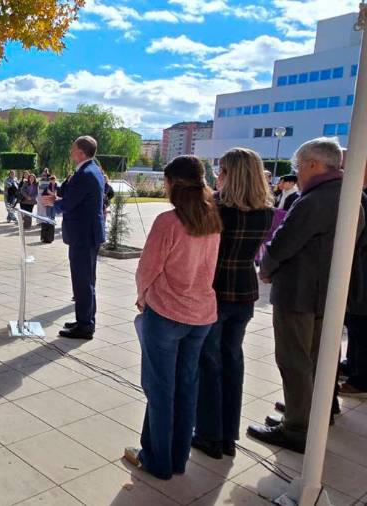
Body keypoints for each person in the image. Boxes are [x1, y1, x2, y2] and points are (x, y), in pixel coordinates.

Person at [248, 137, 361, 453]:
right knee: (322, 356)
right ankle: (318, 410)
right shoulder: (351, 196)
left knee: (295, 359)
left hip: (300, 295)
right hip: (330, 293)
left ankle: (297, 427)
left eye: (298, 167)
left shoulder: (313, 200)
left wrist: (266, 268)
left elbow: (283, 243)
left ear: (314, 164)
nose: (296, 173)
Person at [124, 155, 221, 480]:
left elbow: (148, 267)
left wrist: (142, 297)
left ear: (173, 183)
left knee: (160, 388)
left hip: (167, 314)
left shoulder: (169, 222)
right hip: (201, 315)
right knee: (186, 386)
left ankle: (156, 459)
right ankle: (177, 459)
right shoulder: (211, 218)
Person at [192, 148, 274, 460]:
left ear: (231, 174)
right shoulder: (265, 211)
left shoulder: (217, 210)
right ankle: (228, 435)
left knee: (210, 363)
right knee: (233, 360)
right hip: (244, 292)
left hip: (216, 292)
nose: (217, 175)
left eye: (221, 170)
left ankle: (210, 435)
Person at [49, 136, 106, 340]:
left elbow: (70, 203)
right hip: (89, 233)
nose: (71, 151)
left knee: (82, 281)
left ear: (81, 152)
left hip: (83, 235)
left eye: (73, 148)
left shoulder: (85, 173)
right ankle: (85, 319)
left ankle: (85, 326)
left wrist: (53, 204)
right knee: (87, 280)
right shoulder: (92, 170)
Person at [342, 152, 367, 398]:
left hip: (365, 273)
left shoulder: (364, 197)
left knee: (363, 327)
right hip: (359, 272)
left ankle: (363, 380)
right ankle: (352, 365)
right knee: (354, 324)